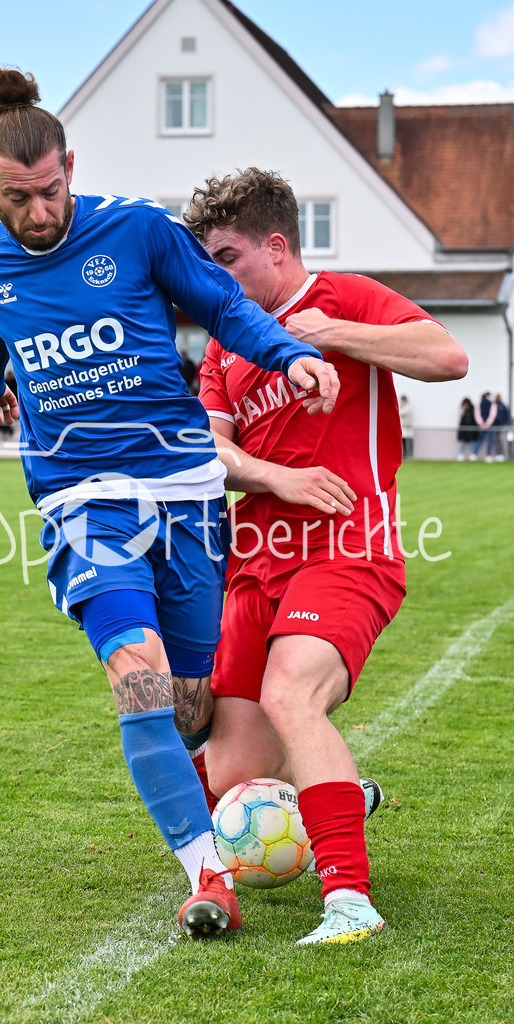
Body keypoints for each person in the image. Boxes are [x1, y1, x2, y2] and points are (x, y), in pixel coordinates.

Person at [0, 69, 341, 939]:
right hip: (82, 498)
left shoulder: (134, 228)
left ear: (70, 169)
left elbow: (226, 307)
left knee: (190, 700)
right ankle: (210, 878)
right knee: (138, 679)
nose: (41, 212)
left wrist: (289, 357)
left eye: (52, 191)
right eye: (20, 199)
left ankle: (292, 792)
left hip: (184, 490)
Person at [183, 167, 468, 945]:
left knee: (290, 696)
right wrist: (280, 477)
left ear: (277, 247)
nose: (215, 276)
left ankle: (349, 902)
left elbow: (448, 358)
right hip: (256, 563)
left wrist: (330, 336)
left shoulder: (344, 298)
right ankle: (344, 791)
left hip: (350, 547)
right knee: (234, 785)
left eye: (227, 257)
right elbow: (213, 451)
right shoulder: (222, 347)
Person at [473, 391, 497, 461]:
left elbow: (477, 414)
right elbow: (492, 414)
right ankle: (487, 455)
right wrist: (487, 423)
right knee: (484, 440)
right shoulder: (491, 404)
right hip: (488, 425)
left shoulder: (480, 403)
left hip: (484, 425)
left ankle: (474, 454)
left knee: (481, 440)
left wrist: (482, 423)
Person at [493, 393, 510, 461]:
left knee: (502, 440)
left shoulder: (503, 406)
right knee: (496, 440)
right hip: (495, 426)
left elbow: (507, 415)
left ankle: (503, 454)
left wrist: (505, 423)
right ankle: (497, 454)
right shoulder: (494, 405)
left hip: (502, 425)